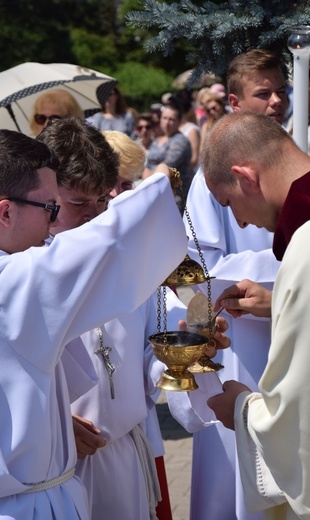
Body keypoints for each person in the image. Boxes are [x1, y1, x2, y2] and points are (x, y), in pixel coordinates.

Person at [0, 126, 187, 520]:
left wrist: (183, 340)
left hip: (112, 453)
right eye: (58, 205)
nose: (95, 213)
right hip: (36, 490)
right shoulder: (25, 276)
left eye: (103, 199)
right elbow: (114, 238)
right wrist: (157, 187)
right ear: (6, 211)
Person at [204, 111, 310, 520]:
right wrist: (279, 299)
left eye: (230, 203)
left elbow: (302, 423)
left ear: (246, 177)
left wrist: (242, 410)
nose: (241, 221)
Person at [168, 49, 287, 520]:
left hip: (286, 322)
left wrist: (280, 293)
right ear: (235, 102)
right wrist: (263, 281)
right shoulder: (212, 177)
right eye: (264, 93)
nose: (277, 101)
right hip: (237, 337)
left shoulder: (290, 156)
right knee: (239, 467)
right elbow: (195, 268)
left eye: (282, 90)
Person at [143, 101, 192, 211]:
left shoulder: (180, 141)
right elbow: (147, 164)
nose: (167, 122)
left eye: (171, 119)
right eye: (164, 118)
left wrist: (148, 178)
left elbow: (168, 165)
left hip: (174, 196)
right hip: (152, 191)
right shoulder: (156, 140)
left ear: (179, 121)